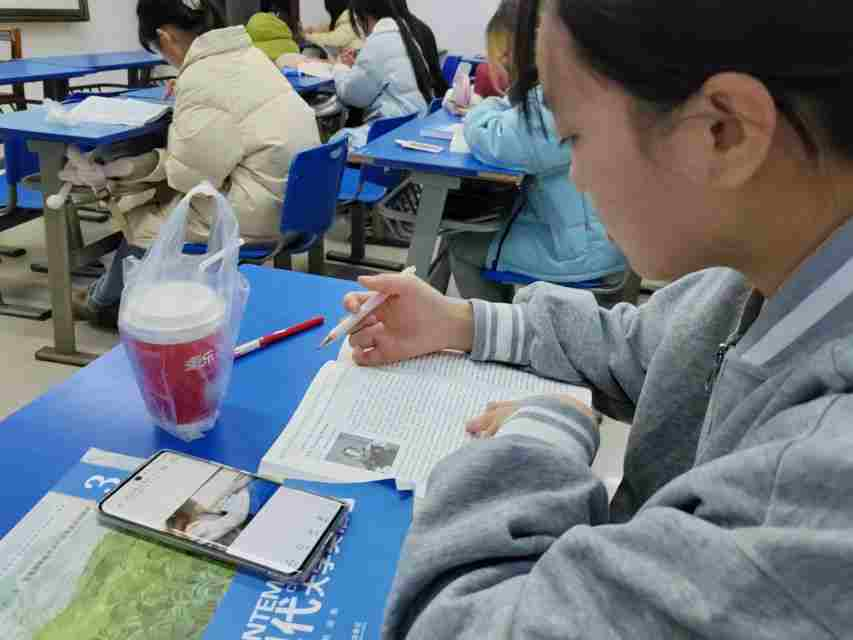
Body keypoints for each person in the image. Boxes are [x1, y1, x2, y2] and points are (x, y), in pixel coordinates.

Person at [342, 0, 853, 636]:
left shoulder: (816, 489)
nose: (577, 176)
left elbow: (455, 626)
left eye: (575, 138)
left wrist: (542, 436)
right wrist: (460, 322)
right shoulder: (770, 274)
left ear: (723, 132)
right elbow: (645, 347)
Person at [73, 0, 320, 327]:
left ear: (165, 37)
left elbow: (188, 176)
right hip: (296, 205)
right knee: (161, 200)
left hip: (258, 217)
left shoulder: (203, 76)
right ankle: (109, 293)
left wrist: (129, 172)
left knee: (141, 216)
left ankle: (106, 302)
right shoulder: (249, 55)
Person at [430, 0, 625, 302]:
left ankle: (492, 329)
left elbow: (497, 141)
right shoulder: (585, 78)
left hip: (583, 249)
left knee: (462, 246)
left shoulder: (554, 97)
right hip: (601, 233)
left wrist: (481, 108)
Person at [330, 0, 440, 149]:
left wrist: (340, 68)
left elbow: (352, 96)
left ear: (364, 15)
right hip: (412, 124)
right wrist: (358, 65)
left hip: (393, 131)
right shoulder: (403, 33)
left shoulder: (378, 41)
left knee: (336, 143)